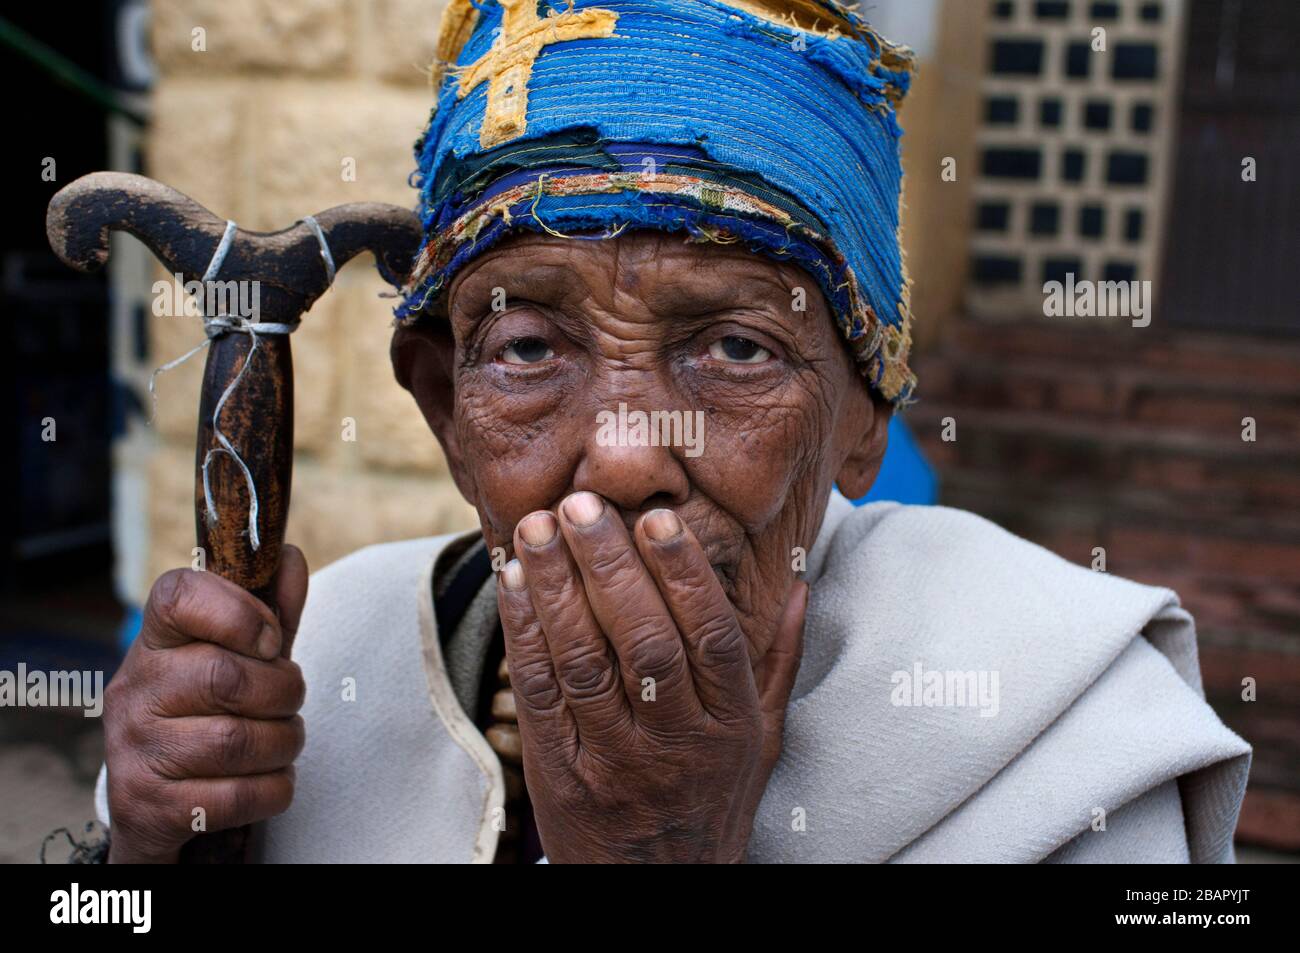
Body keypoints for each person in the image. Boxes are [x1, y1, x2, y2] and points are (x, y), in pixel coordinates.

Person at [94, 0, 1249, 863]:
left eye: (735, 349)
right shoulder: (323, 662)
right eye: (532, 349)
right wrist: (140, 854)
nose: (629, 452)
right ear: (447, 408)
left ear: (859, 419)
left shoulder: (1064, 729)